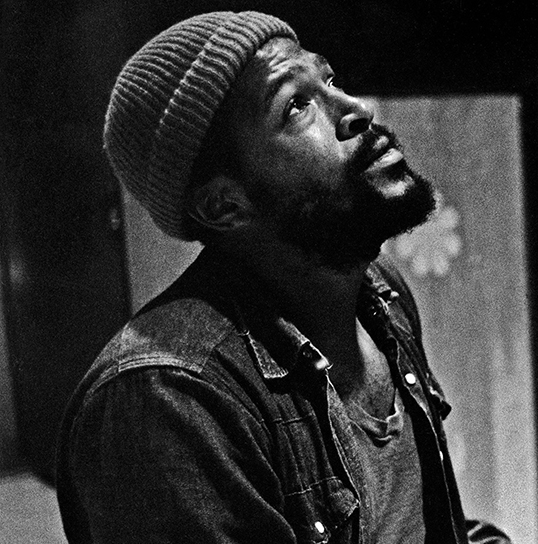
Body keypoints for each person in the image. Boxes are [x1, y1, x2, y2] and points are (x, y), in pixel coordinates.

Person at [55, 11, 510, 544]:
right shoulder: (169, 398)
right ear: (224, 205)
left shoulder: (378, 293)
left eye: (330, 80)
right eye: (296, 105)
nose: (357, 111)